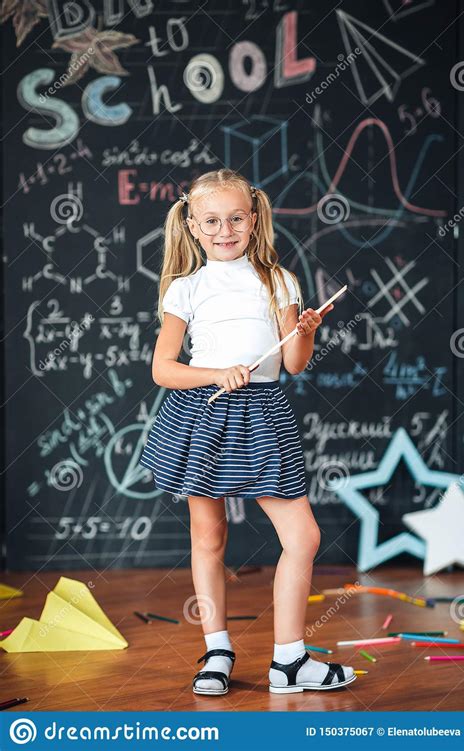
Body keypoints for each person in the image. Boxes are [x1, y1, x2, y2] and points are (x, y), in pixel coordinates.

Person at [139, 168, 355, 695]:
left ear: (253, 218)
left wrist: (305, 332)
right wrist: (217, 372)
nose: (225, 229)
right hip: (204, 410)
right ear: (192, 225)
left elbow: (296, 363)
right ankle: (217, 651)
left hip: (262, 412)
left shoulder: (278, 279)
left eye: (236, 218)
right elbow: (163, 369)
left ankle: (290, 661)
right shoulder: (185, 288)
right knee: (209, 538)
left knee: (302, 536)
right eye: (211, 220)